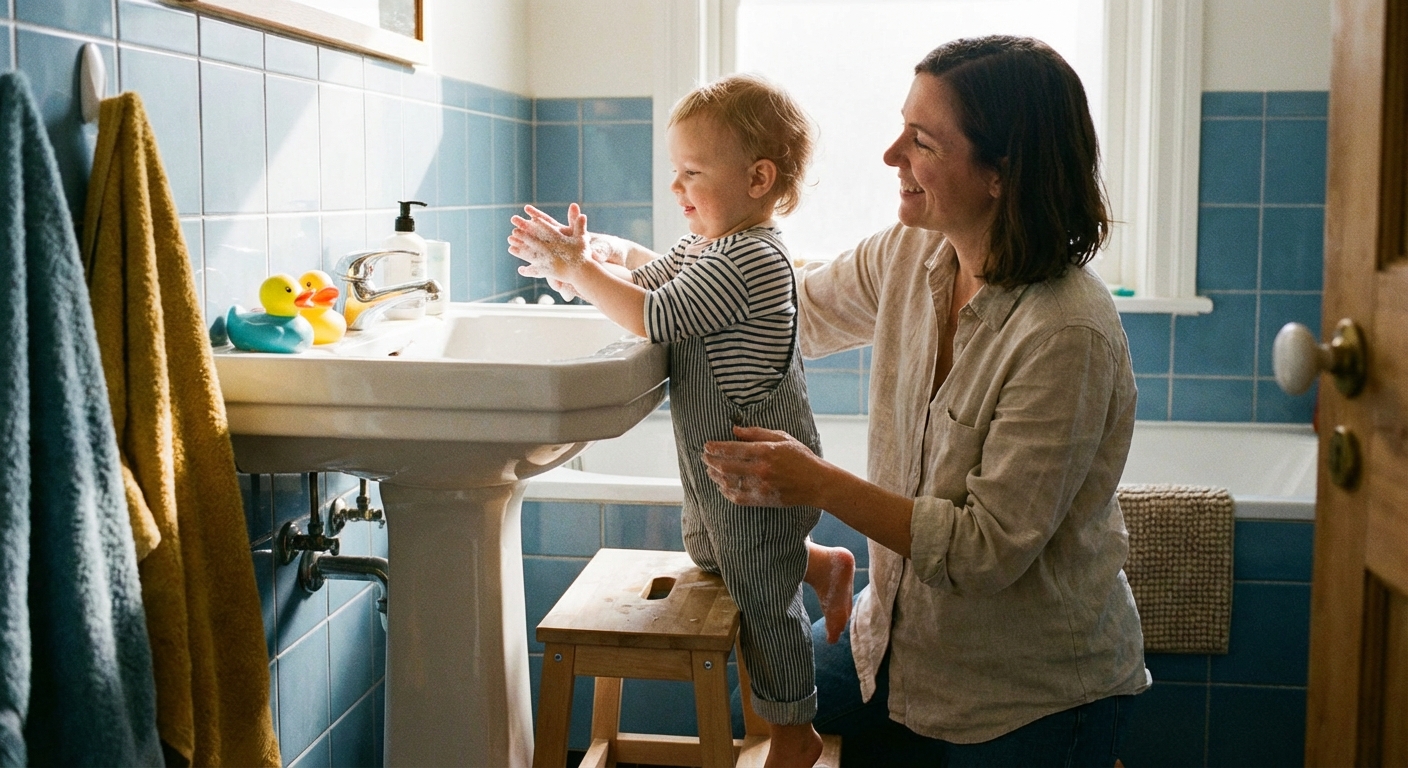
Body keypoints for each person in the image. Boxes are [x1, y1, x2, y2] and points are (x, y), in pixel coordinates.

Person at [530, 36, 1150, 766]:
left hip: (1023, 693)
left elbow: (983, 551)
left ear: (999, 175)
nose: (890, 156)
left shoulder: (1066, 333)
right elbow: (786, 308)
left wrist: (815, 483)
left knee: (778, 687)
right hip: (899, 642)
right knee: (749, 693)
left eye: (921, 141)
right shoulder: (912, 253)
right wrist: (619, 262)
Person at [508, 73, 854, 767]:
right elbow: (645, 279)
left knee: (762, 601)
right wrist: (589, 257)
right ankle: (820, 564)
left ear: (757, 178)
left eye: (692, 172)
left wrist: (580, 270)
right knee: (711, 555)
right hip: (716, 462)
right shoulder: (708, 249)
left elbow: (653, 314)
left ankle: (794, 730)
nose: (676, 188)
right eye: (676, 170)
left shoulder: (752, 257)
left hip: (759, 472)